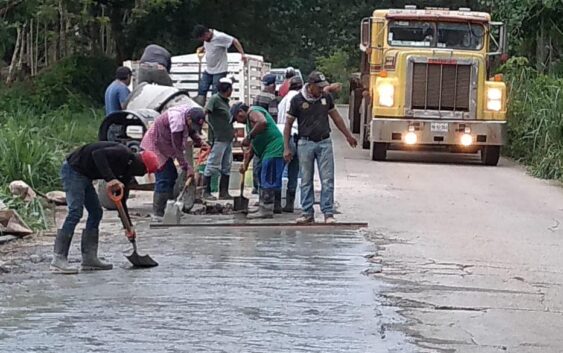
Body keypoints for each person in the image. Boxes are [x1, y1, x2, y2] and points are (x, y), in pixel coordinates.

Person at [51, 142, 159, 274]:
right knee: (75, 212)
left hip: (85, 175)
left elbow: (122, 201)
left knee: (96, 212)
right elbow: (97, 154)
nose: (141, 175)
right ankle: (58, 258)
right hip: (73, 170)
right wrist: (110, 179)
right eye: (143, 171)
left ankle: (89, 258)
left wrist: (128, 226)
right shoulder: (123, 153)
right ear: (140, 164)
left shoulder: (126, 172)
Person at [283, 71, 358, 224]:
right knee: (305, 179)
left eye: (323, 87)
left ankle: (328, 212)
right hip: (305, 143)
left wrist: (348, 135)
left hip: (324, 142)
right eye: (318, 87)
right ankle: (307, 212)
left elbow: (336, 117)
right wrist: (286, 147)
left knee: (327, 179)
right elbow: (288, 125)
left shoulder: (325, 97)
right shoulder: (297, 100)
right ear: (310, 86)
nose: (321, 90)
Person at [140, 106, 208, 218]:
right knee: (164, 177)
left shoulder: (189, 114)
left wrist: (200, 141)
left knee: (172, 175)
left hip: (164, 147)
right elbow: (177, 148)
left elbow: (191, 131)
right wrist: (186, 167)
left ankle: (169, 208)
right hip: (155, 146)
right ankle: (159, 212)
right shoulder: (176, 120)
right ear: (189, 119)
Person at [233, 102, 284, 218]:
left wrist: (249, 136)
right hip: (266, 151)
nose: (237, 122)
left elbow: (262, 122)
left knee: (268, 177)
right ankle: (267, 207)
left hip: (273, 148)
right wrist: (245, 164)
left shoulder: (253, 111)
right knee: (263, 176)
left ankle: (266, 210)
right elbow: (252, 147)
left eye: (236, 118)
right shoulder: (250, 124)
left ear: (240, 112)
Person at [193, 25, 247, 101]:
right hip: (209, 69)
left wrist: (242, 54)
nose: (203, 41)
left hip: (219, 70)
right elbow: (210, 45)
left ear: (206, 34)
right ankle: (200, 107)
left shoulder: (219, 37)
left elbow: (234, 40)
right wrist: (203, 48)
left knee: (215, 92)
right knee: (202, 89)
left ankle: (214, 109)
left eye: (202, 38)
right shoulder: (207, 39)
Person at [203, 77, 235, 200]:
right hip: (219, 138)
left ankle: (224, 192)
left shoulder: (225, 101)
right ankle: (206, 191)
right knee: (213, 164)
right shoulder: (215, 99)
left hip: (227, 138)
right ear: (227, 89)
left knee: (226, 165)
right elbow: (205, 112)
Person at [276, 76, 302, 213]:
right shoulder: (300, 99)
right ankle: (289, 204)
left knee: (279, 170)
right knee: (294, 170)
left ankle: (277, 203)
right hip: (297, 137)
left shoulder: (284, 100)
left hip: (284, 137)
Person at [251, 73, 279, 195]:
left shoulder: (257, 96)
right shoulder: (272, 98)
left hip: (256, 131)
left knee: (256, 159)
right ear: (273, 85)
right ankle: (264, 188)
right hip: (267, 132)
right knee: (266, 162)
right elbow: (273, 117)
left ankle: (255, 186)